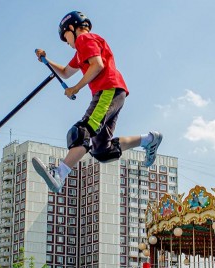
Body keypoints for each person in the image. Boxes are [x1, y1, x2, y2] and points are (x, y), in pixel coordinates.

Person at [32, 11, 163, 194]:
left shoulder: (85, 40)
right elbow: (65, 72)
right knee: (102, 150)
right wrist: (46, 61)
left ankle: (59, 174)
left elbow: (98, 65)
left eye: (65, 36)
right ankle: (150, 139)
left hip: (108, 89)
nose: (66, 42)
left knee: (81, 132)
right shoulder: (80, 52)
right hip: (111, 92)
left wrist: (75, 88)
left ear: (72, 27)